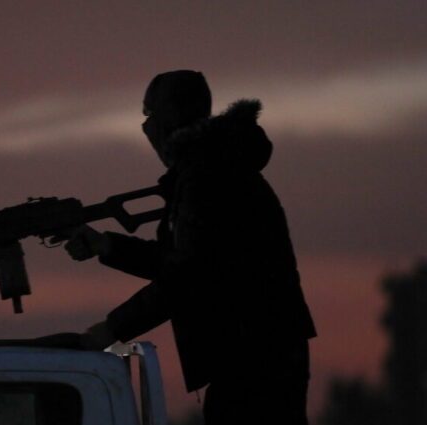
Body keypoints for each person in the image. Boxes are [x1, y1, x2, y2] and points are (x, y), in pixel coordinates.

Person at [62, 70, 316, 424]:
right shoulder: (213, 170)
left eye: (149, 116)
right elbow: (184, 263)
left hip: (251, 357)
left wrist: (111, 329)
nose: (146, 128)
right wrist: (106, 245)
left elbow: (188, 276)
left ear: (167, 120)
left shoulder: (208, 178)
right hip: (255, 352)